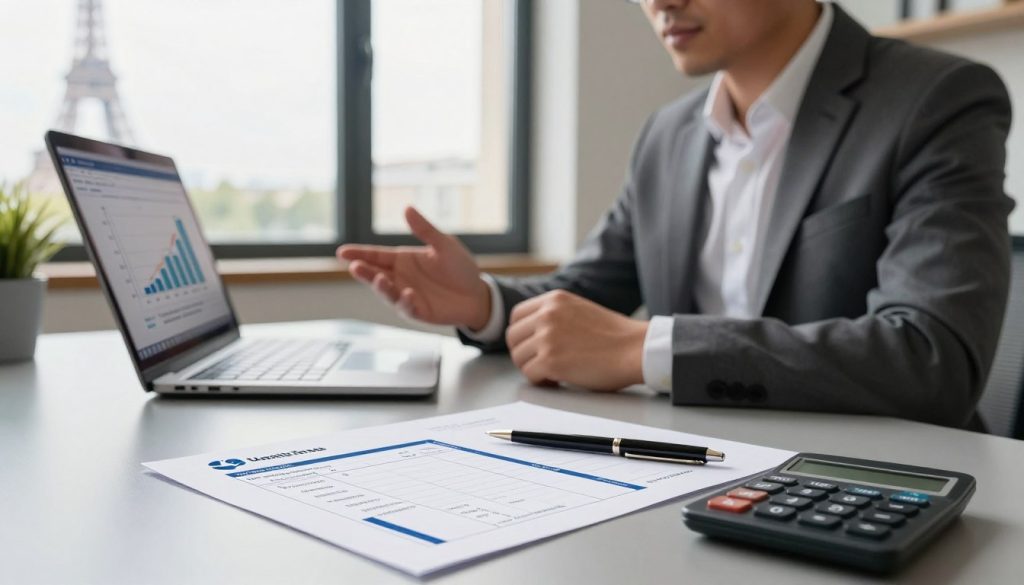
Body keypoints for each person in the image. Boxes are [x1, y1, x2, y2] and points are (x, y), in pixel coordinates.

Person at [337, 0, 1014, 429]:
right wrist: (484, 304)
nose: (659, 1)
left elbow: (932, 358)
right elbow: (585, 296)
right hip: (692, 468)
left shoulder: (936, 99)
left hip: (877, 485)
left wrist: (645, 350)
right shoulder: (668, 134)